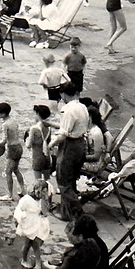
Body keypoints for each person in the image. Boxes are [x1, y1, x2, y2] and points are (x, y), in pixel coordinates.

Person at [48, 83, 89, 222]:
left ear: (64, 94)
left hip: (70, 147)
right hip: (81, 144)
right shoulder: (82, 106)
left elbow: (63, 134)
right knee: (71, 179)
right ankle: (66, 210)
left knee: (63, 180)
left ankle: (78, 213)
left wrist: (51, 144)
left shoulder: (67, 110)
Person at [13, 180, 51, 269]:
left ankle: (35, 261)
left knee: (35, 242)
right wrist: (19, 220)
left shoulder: (41, 199)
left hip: (37, 223)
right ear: (37, 190)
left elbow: (45, 212)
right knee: (31, 244)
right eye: (43, 191)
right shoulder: (26, 199)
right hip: (28, 224)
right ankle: (27, 260)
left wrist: (45, 201)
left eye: (45, 191)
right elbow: (18, 210)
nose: (44, 194)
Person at [0, 102, 26, 202]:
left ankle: (10, 195)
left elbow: (4, 140)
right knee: (16, 170)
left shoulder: (5, 124)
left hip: (12, 149)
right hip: (19, 147)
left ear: (3, 114)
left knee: (8, 172)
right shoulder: (13, 121)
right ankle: (22, 189)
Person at [28, 104, 57, 183]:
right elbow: (49, 142)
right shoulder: (48, 128)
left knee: (38, 182)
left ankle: (40, 195)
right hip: (47, 157)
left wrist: (27, 139)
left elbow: (28, 145)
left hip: (37, 157)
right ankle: (49, 194)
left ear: (37, 114)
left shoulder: (33, 129)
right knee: (47, 180)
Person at [82, 106, 109, 175]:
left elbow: (96, 156)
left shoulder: (96, 133)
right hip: (86, 157)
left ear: (90, 118)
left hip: (94, 164)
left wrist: (80, 157)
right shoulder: (88, 128)